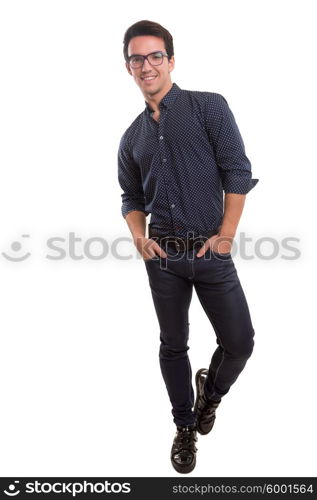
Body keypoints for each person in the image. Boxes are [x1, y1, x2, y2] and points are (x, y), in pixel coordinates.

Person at [118, 19, 259, 474]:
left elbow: (237, 171)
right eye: (137, 58)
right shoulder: (130, 138)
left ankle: (210, 396)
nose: (146, 65)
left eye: (155, 56)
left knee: (239, 342)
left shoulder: (208, 107)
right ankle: (183, 428)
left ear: (171, 61)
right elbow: (132, 197)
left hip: (210, 253)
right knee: (173, 344)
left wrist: (225, 237)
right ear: (128, 68)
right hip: (163, 258)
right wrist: (140, 238)